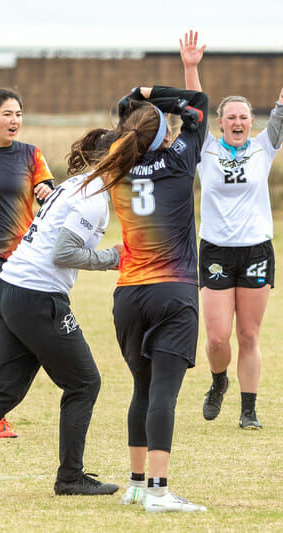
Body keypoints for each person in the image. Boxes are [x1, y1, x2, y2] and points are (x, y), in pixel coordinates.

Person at [0, 128, 121, 495]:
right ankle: (70, 478)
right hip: (37, 297)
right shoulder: (92, 196)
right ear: (115, 161)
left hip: (7, 288)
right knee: (85, 382)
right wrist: (111, 258)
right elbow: (64, 254)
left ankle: (70, 476)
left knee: (3, 390)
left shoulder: (74, 184)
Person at [83, 85, 208, 512]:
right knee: (164, 396)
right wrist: (151, 93)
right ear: (162, 137)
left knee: (142, 388)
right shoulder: (177, 162)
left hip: (128, 294)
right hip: (173, 291)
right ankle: (158, 491)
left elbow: (127, 115)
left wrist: (138, 96)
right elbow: (199, 105)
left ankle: (137, 484)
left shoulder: (116, 163)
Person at [179, 30, 283, 429]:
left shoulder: (263, 147)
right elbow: (195, 107)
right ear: (221, 123)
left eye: (243, 117)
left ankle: (248, 409)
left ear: (251, 123)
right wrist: (191, 66)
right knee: (219, 338)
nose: (237, 122)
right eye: (230, 117)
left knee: (249, 336)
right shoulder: (206, 147)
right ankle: (218, 382)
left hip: (256, 250)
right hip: (217, 250)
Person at [0, 89, 54, 438]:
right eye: (7, 114)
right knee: (0, 336)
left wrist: (47, 192)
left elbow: (50, 189)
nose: (15, 120)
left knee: (14, 337)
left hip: (21, 260)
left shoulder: (31, 154)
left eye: (19, 114)